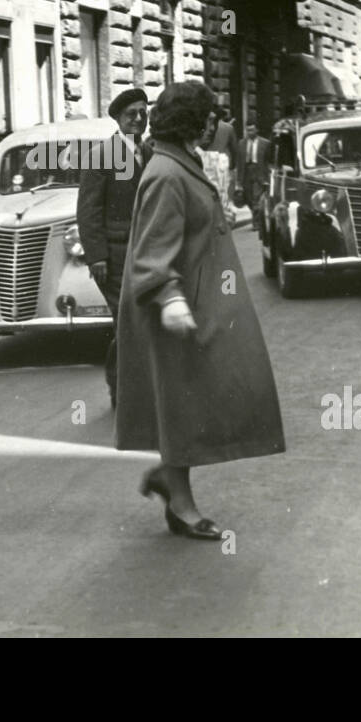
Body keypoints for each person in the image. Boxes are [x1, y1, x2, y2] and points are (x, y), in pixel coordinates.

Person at [117, 81, 286, 539]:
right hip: (177, 311)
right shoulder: (166, 174)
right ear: (192, 120)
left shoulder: (179, 162)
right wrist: (169, 298)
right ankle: (181, 504)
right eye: (209, 115)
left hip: (197, 305)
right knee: (184, 409)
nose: (216, 123)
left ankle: (169, 483)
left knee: (190, 407)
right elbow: (153, 252)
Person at [76, 87, 149, 409]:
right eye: (131, 114)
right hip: (115, 256)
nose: (138, 119)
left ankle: (134, 387)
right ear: (119, 119)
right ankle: (121, 389)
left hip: (144, 252)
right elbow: (88, 210)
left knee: (139, 321)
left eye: (143, 114)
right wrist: (97, 257)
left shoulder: (149, 154)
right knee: (127, 322)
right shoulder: (102, 156)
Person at [204, 101, 241, 195]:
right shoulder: (229, 128)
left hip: (207, 160)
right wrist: (232, 166)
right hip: (223, 162)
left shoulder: (206, 127)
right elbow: (234, 149)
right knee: (223, 190)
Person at [241, 121, 271, 211]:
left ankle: (256, 221)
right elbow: (239, 162)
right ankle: (255, 214)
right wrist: (238, 180)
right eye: (248, 130)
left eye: (252, 130)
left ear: (257, 130)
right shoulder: (241, 143)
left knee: (256, 198)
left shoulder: (265, 143)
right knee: (248, 198)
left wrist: (267, 176)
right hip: (246, 172)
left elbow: (268, 161)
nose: (250, 132)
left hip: (259, 171)